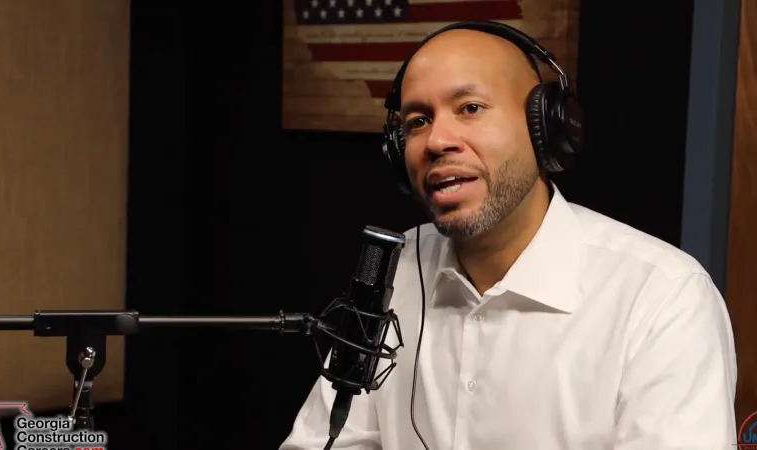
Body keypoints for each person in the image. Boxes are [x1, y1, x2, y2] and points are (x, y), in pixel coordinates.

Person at [279, 21, 737, 450]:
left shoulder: (662, 298)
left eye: (470, 108)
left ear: (544, 128)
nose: (437, 140)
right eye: (417, 121)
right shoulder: (395, 268)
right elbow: (327, 439)